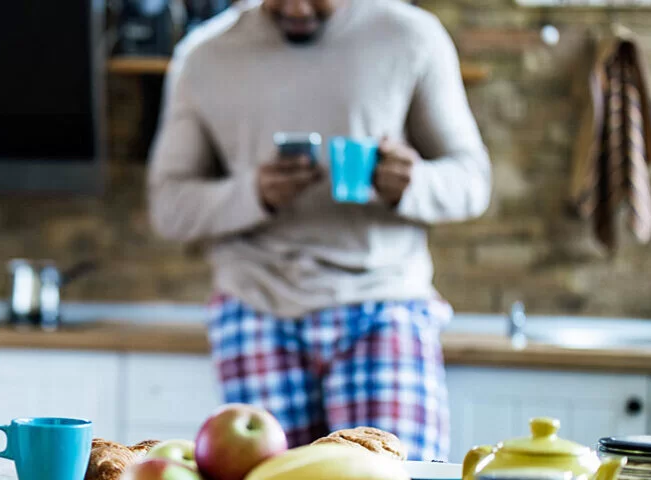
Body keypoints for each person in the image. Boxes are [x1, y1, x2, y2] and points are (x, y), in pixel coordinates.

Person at [146, 0, 491, 461]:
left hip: (384, 304)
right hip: (256, 304)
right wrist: (255, 194)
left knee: (399, 471)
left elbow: (472, 181)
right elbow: (169, 207)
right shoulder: (204, 55)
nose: (296, 7)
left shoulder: (412, 37)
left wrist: (414, 183)